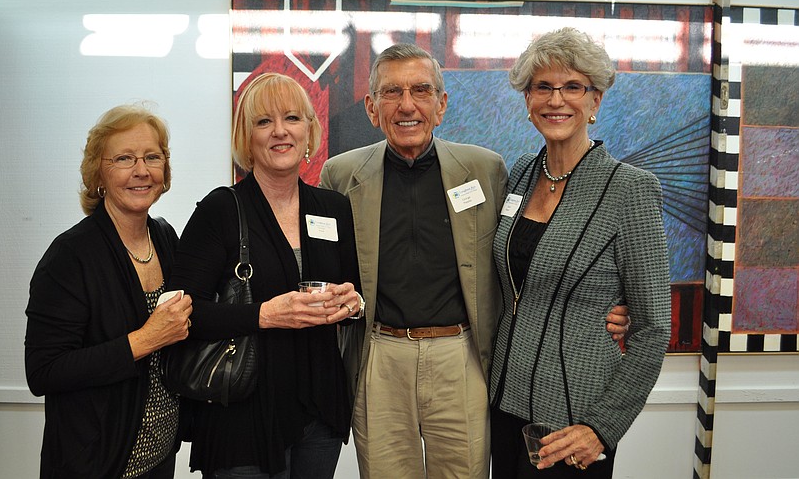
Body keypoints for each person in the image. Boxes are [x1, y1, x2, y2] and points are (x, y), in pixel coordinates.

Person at [320, 43, 630, 479]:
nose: (407, 105)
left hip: (461, 357)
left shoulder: (486, 170)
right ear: (372, 108)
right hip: (380, 357)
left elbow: (527, 253)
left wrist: (621, 305)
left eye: (421, 90)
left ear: (441, 104)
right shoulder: (339, 176)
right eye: (391, 93)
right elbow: (323, 271)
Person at [488, 28, 672, 477]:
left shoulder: (630, 189)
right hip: (503, 403)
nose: (557, 100)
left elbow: (653, 328)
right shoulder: (520, 175)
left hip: (572, 420)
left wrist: (600, 428)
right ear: (527, 100)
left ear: (596, 102)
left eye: (573, 87)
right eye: (543, 87)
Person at [169, 72, 362, 478]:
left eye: (292, 118)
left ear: (310, 131)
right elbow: (183, 313)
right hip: (243, 416)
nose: (280, 132)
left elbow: (352, 288)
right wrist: (266, 315)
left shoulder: (333, 208)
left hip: (319, 411)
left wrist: (353, 303)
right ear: (247, 137)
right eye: (263, 122)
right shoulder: (220, 211)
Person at [25, 104, 193, 479]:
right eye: (124, 158)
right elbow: (44, 372)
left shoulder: (165, 237)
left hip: (160, 454)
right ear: (98, 174)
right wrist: (145, 339)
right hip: (97, 463)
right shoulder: (70, 256)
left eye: (152, 156)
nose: (141, 170)